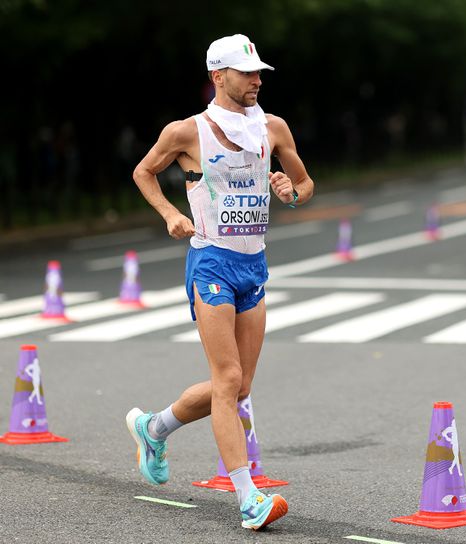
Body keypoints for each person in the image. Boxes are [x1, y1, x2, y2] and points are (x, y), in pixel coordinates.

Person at [126, 34, 314, 530]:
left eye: (259, 73)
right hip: (211, 263)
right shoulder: (186, 132)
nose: (257, 79)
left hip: (254, 265)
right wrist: (169, 213)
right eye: (246, 72)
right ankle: (250, 498)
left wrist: (290, 191)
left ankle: (154, 427)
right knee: (228, 380)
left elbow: (306, 183)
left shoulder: (273, 127)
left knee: (237, 386)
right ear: (217, 76)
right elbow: (143, 172)